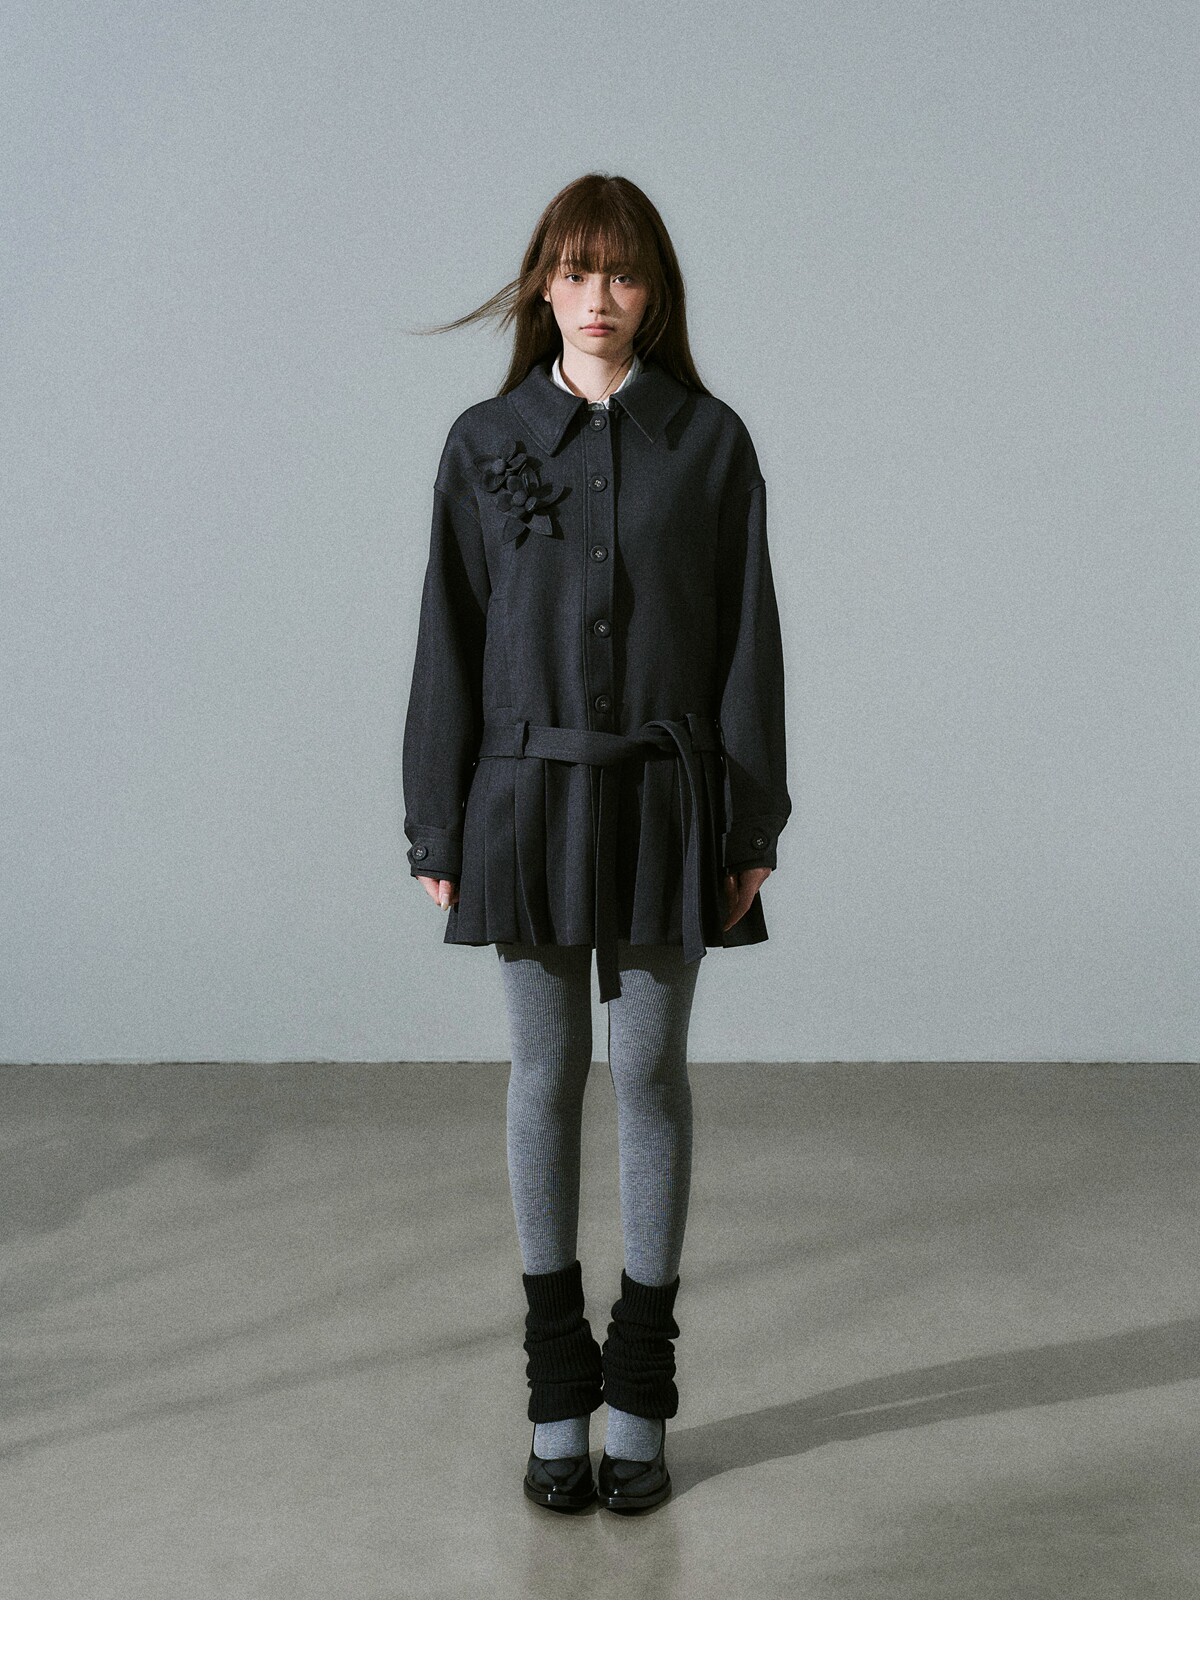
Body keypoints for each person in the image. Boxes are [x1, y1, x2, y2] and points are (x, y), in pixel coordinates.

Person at [402, 173, 790, 1513]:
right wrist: (435, 820)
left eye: (622, 273)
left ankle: (641, 1398)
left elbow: (748, 642)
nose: (599, 298)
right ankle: (556, 1396)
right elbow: (448, 637)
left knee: (651, 1077)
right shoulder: (484, 442)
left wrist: (751, 821)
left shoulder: (711, 443)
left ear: (654, 288)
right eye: (576, 271)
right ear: (543, 286)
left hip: (671, 805)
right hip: (523, 803)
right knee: (544, 1074)